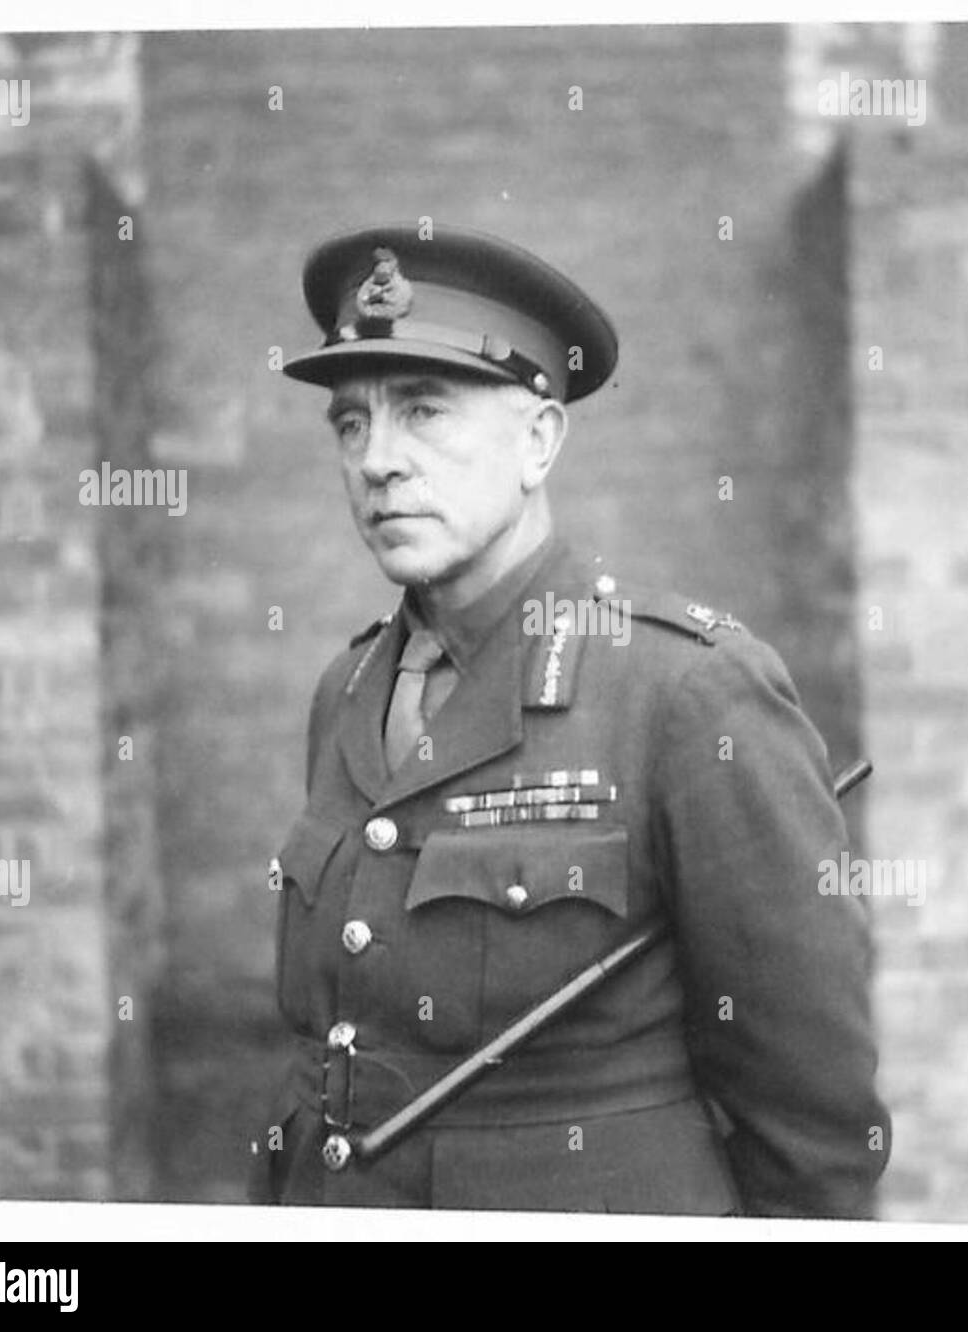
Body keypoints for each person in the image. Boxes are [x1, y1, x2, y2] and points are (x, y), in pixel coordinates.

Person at [248, 222, 890, 1215]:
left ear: (539, 442)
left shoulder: (685, 695)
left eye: (423, 412)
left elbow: (816, 1128)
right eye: (350, 423)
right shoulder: (347, 690)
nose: (378, 461)